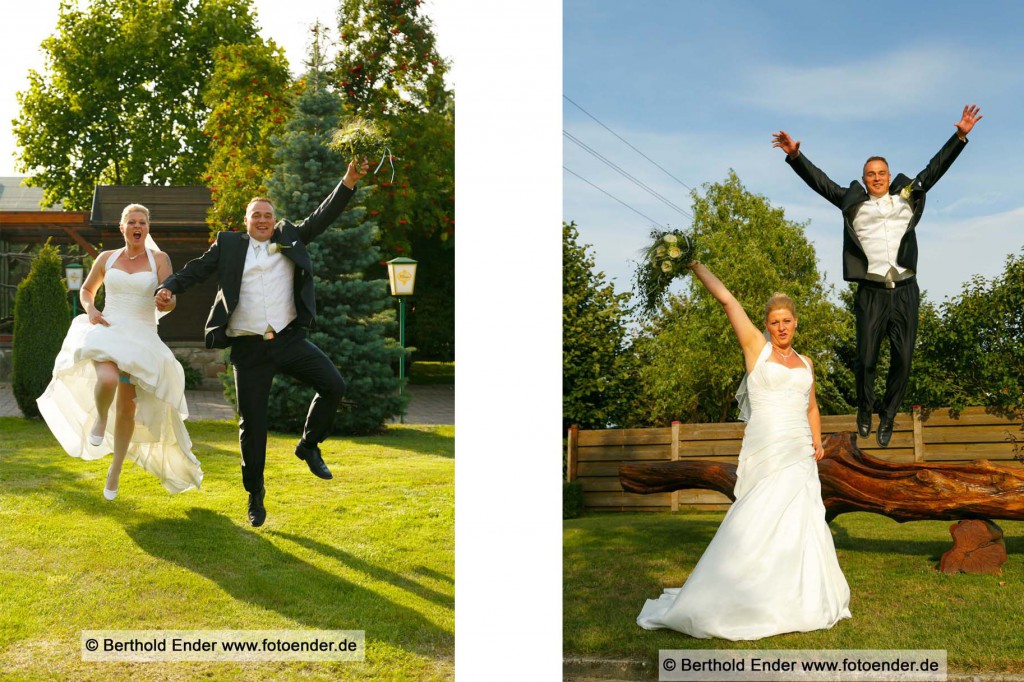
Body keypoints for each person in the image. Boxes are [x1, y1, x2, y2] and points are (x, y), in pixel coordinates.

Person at [636, 262, 850, 640]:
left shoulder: (807, 363)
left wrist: (817, 440)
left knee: (801, 520)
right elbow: (727, 300)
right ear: (766, 326)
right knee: (757, 517)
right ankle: (738, 591)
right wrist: (694, 264)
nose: (781, 327)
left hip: (799, 450)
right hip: (767, 447)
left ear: (796, 322)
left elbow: (811, 406)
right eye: (774, 321)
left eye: (786, 320)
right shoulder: (756, 349)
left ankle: (797, 595)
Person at [155, 157, 369, 527]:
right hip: (248, 349)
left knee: (334, 385)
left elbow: (322, 215)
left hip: (287, 339)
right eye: (256, 215)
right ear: (246, 221)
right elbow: (196, 270)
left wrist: (348, 180)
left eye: (268, 215)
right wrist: (168, 286)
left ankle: (309, 445)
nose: (263, 220)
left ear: (275, 219)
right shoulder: (229, 245)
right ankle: (255, 495)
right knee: (253, 427)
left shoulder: (290, 236)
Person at [772, 105, 982, 447]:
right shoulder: (852, 202)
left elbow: (934, 170)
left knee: (903, 358)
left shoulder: (906, 197)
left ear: (889, 175)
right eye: (871, 173)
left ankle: (888, 415)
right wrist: (796, 156)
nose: (877, 177)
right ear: (865, 178)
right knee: (866, 359)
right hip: (871, 291)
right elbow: (820, 183)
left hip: (905, 289)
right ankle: (865, 410)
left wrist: (959, 136)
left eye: (882, 172)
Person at [37, 204, 203, 500]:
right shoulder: (106, 258)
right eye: (132, 222)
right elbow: (87, 291)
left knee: (127, 409)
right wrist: (90, 309)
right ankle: (101, 418)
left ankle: (115, 470)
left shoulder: (160, 259)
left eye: (143, 222)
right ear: (122, 228)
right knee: (108, 379)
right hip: (109, 328)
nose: (138, 227)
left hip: (140, 336)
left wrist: (167, 300)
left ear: (147, 228)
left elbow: (169, 295)